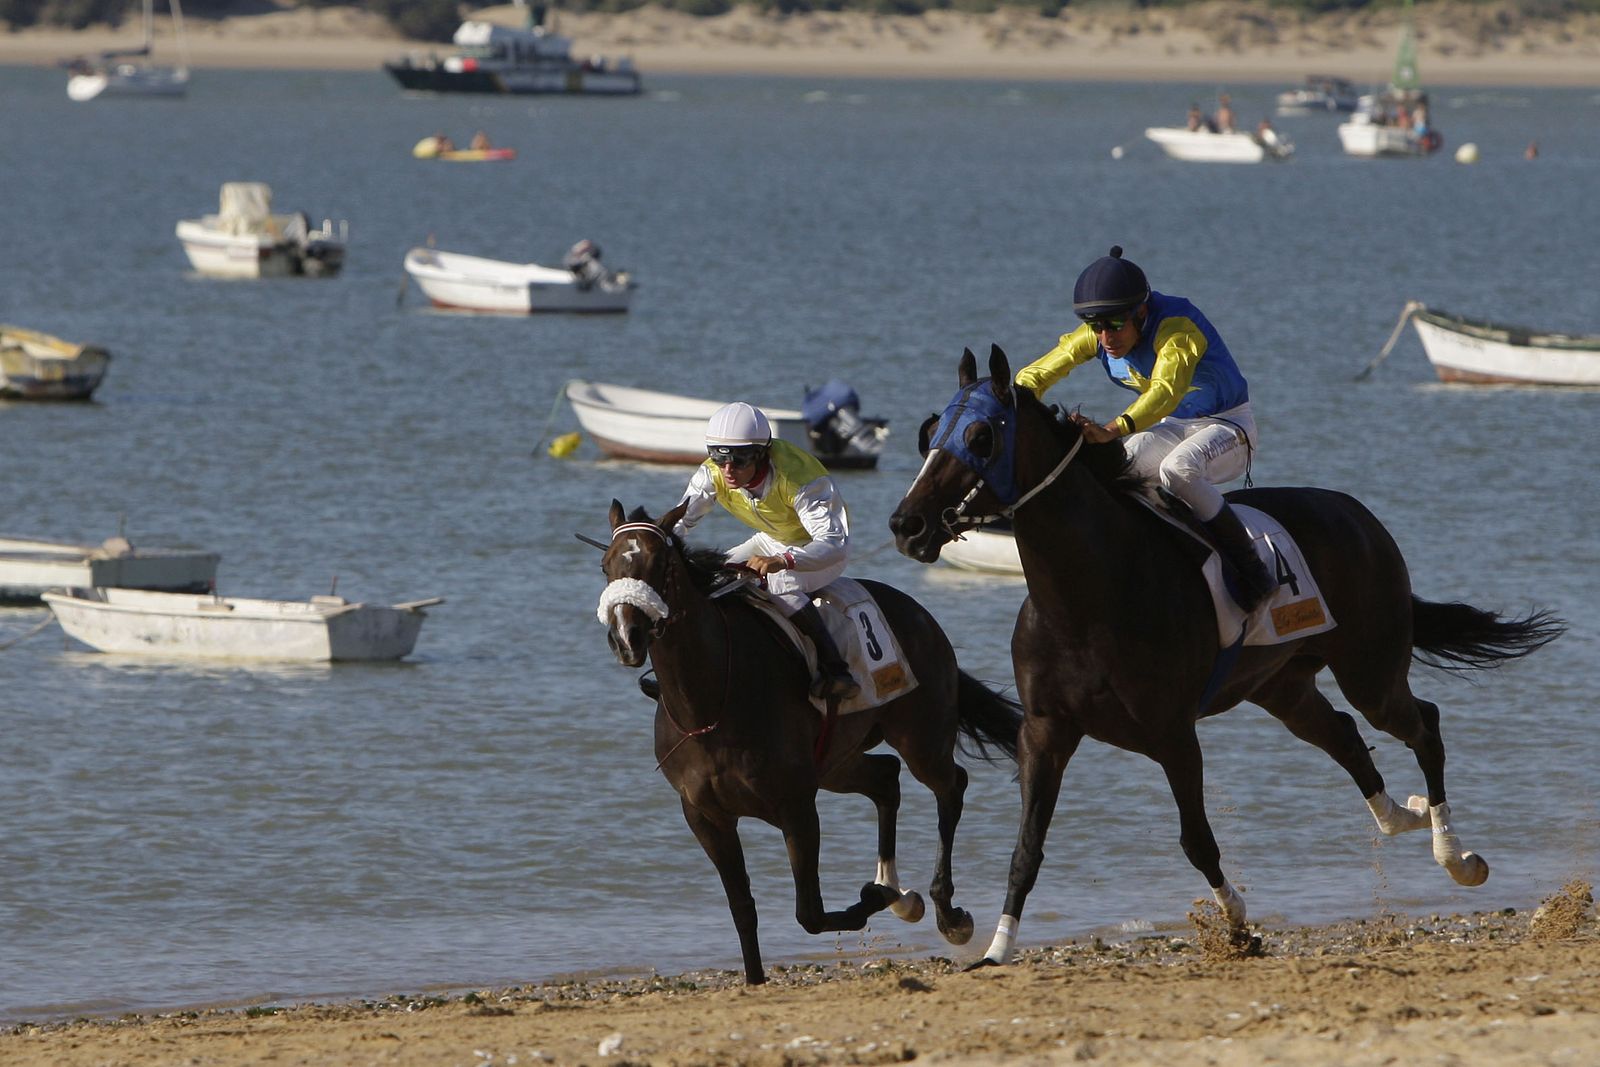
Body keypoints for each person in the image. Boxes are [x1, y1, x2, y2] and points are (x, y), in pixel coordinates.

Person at [1013, 246, 1276, 613]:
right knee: (1118, 473)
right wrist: (1009, 401)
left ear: (1142, 311)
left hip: (1229, 426)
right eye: (1096, 326)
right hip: (1175, 426)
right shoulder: (1101, 332)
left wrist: (1114, 428)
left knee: (1177, 470)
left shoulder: (1177, 328)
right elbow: (1039, 373)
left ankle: (1253, 571)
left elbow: (1165, 393)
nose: (1106, 337)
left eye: (1116, 325)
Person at [671, 402, 861, 701]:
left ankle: (836, 669)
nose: (728, 470)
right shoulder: (713, 473)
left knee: (783, 583)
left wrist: (783, 560)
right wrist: (653, 540)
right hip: (770, 540)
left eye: (739, 460)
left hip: (818, 553)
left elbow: (833, 544)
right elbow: (680, 521)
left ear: (761, 454)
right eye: (720, 459)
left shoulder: (800, 479)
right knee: (709, 577)